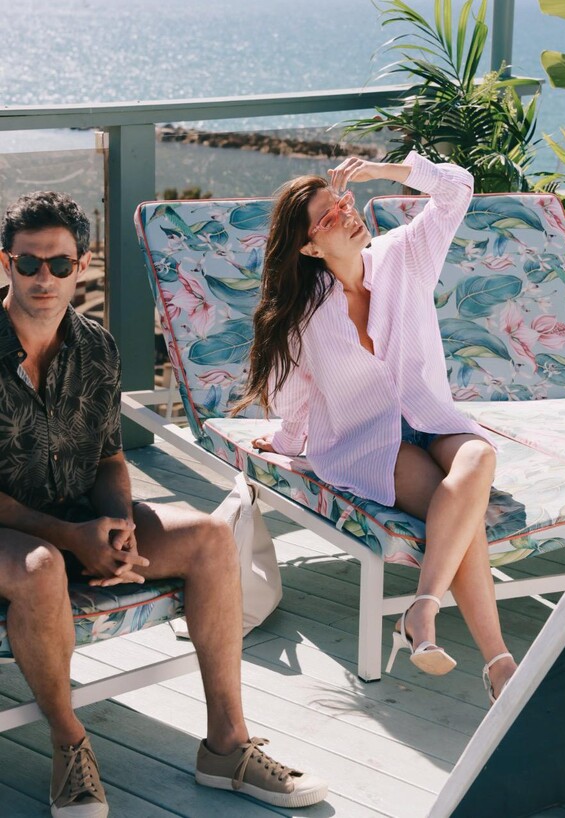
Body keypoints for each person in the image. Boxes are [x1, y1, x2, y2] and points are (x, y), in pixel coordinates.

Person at [0, 191, 327, 817]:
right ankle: (70, 743)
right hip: (12, 535)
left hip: (77, 515)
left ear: (83, 264)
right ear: (5, 262)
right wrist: (72, 539)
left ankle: (227, 745)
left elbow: (108, 458)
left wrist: (119, 527)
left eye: (60, 264)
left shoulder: (95, 347)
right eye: (29, 263)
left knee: (209, 536)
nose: (45, 278)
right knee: (42, 567)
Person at [237, 152, 517, 702]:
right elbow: (299, 395)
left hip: (432, 417)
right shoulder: (303, 317)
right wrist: (288, 445)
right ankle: (500, 661)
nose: (347, 212)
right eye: (328, 215)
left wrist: (385, 171)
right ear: (309, 248)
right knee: (454, 512)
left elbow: (457, 189)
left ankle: (422, 607)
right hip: (366, 441)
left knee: (479, 457)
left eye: (344, 200)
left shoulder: (404, 255)